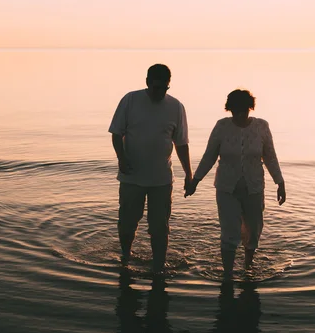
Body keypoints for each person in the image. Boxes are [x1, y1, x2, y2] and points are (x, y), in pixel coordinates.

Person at [185, 89, 286, 280]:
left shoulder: (262, 127)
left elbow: (270, 157)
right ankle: (228, 275)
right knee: (230, 233)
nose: (240, 115)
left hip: (254, 187)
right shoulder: (221, 127)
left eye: (244, 110)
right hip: (226, 188)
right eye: (235, 110)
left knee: (254, 230)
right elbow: (209, 156)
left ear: (250, 108)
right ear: (230, 109)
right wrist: (195, 181)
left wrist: (280, 182)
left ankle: (248, 267)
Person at [109, 64, 192, 273]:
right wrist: (121, 158)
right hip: (131, 177)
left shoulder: (176, 107)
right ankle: (125, 257)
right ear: (147, 83)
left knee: (159, 227)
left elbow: (181, 144)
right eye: (155, 88)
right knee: (127, 224)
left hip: (161, 180)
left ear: (168, 86)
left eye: (164, 89)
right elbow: (116, 133)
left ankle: (158, 267)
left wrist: (189, 175)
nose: (159, 93)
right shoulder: (130, 100)